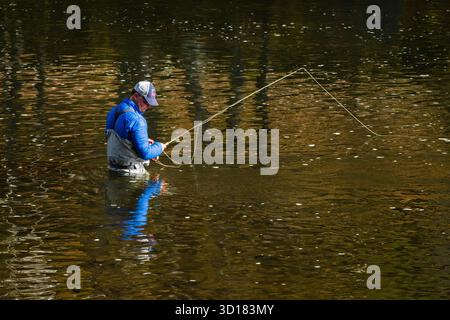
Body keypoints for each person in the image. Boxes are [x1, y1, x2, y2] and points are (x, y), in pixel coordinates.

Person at [105, 81, 166, 175]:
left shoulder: (113, 111)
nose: (148, 106)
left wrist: (143, 141)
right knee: (158, 187)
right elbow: (146, 154)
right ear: (135, 96)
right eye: (146, 102)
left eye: (150, 103)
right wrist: (160, 147)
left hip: (112, 169)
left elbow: (117, 139)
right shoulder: (137, 120)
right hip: (131, 175)